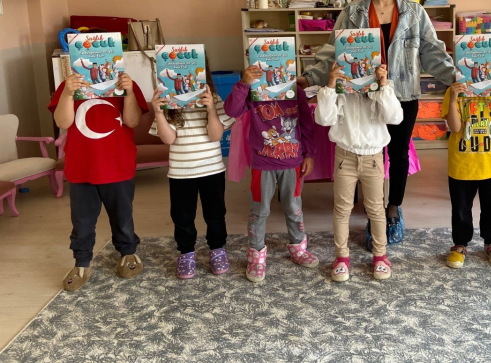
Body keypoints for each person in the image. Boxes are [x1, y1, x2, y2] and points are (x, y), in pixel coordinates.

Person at [299, 0, 455, 246]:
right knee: (370, 154)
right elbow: (332, 51)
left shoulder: (414, 13)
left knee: (398, 154)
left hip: (402, 95)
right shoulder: (352, 12)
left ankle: (393, 208)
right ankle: (374, 211)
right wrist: (310, 77)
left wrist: (457, 79)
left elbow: (433, 53)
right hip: (362, 96)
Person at [49, 71, 148, 292]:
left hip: (118, 166)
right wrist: (68, 93)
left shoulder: (125, 84)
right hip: (81, 168)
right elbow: (62, 121)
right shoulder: (68, 86)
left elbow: (133, 121)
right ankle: (82, 263)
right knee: (82, 221)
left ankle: (128, 253)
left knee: (122, 216)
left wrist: (130, 92)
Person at [224, 64, 318, 283]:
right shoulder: (254, 91)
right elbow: (232, 111)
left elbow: (307, 125)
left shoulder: (296, 92)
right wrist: (243, 83)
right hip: (262, 163)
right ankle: (256, 254)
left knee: (294, 207)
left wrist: (309, 154)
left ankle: (298, 247)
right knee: (259, 210)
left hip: (292, 163)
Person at [315, 63, 403, 282]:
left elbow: (395, 117)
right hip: (345, 156)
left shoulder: (382, 87)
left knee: (376, 209)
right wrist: (331, 85)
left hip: (373, 157)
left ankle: (380, 257)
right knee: (342, 209)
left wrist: (382, 85)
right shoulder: (340, 89)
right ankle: (341, 258)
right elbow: (323, 119)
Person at [150, 70, 235, 279]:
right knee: (182, 217)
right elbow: (168, 139)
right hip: (181, 172)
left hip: (212, 169)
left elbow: (216, 135)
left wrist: (211, 109)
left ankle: (217, 249)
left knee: (215, 213)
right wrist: (158, 113)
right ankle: (186, 252)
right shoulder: (168, 99)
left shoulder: (213, 98)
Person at [442, 81, 491, 269]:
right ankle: (460, 244)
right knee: (461, 208)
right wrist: (453, 100)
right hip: (462, 165)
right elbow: (455, 127)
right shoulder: (454, 90)